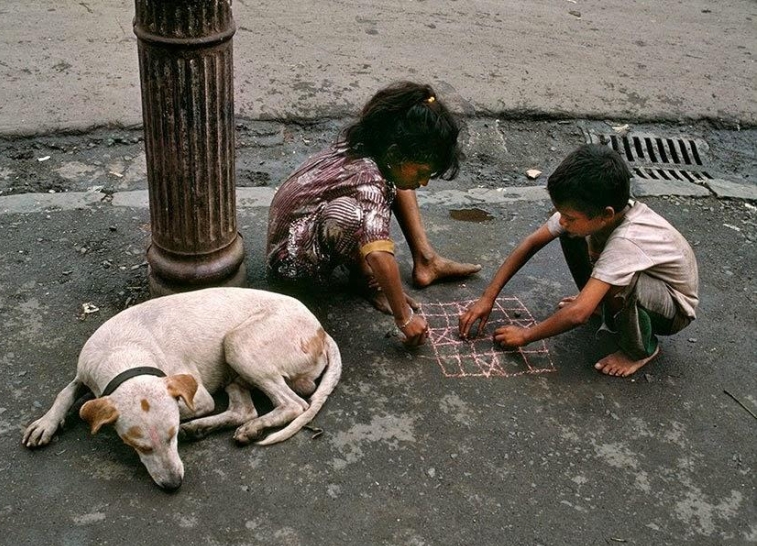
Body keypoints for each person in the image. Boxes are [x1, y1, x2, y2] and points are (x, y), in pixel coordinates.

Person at [267, 81, 481, 347]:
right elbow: (379, 253)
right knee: (358, 214)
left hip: (305, 228)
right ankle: (366, 280)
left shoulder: (372, 147)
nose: (424, 182)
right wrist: (404, 318)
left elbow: (395, 178)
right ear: (393, 152)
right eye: (423, 172)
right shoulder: (368, 179)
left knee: (397, 180)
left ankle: (425, 260)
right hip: (291, 262)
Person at [458, 144, 699, 377]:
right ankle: (598, 303)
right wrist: (488, 297)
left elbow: (577, 315)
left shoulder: (627, 240)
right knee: (571, 234)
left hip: (673, 309)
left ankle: (640, 349)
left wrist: (525, 336)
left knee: (621, 280)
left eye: (569, 216)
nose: (562, 220)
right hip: (648, 284)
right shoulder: (598, 209)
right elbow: (532, 243)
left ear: (606, 214)